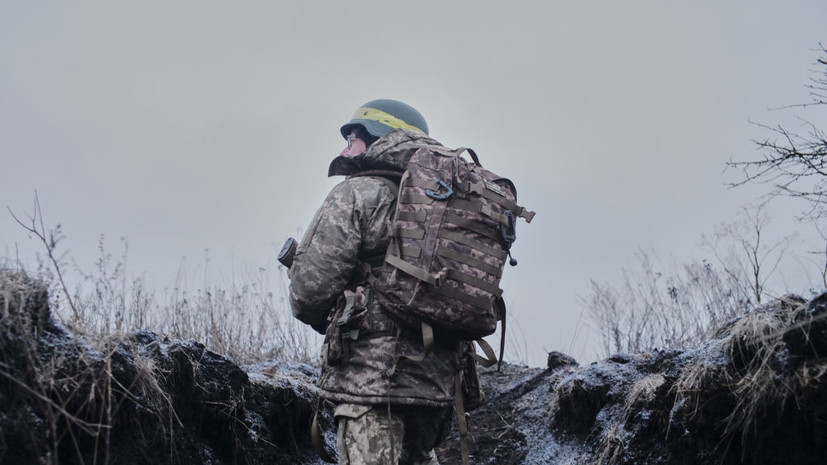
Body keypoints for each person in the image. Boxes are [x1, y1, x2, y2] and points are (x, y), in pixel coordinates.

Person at [288, 99, 463, 465]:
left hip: (370, 384)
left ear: (379, 136)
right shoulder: (452, 199)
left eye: (352, 137)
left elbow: (309, 291)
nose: (345, 147)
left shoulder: (358, 193)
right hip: (437, 385)